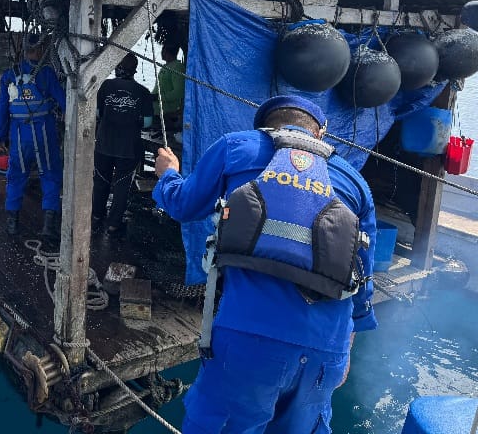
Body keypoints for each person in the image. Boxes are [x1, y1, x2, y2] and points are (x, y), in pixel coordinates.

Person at [152, 95, 377, 434]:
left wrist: (168, 174)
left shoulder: (235, 148)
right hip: (324, 352)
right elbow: (362, 283)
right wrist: (342, 354)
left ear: (263, 128)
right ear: (321, 134)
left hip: (247, 341)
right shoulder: (355, 182)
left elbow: (183, 204)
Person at [0, 34, 66, 239]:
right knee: (50, 175)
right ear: (41, 49)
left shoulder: (9, 76)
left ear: (23, 50)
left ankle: (12, 225)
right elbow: (64, 102)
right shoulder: (47, 74)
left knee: (16, 177)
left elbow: (2, 111)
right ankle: (48, 227)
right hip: (44, 134)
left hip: (19, 135)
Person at [92, 53, 153, 236]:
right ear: (135, 69)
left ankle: (96, 217)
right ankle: (113, 225)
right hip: (128, 147)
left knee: (101, 180)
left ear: (117, 65)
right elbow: (148, 122)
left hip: (104, 144)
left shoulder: (106, 86)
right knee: (121, 185)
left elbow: (96, 113)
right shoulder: (143, 92)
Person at [152, 45, 185, 132]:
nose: (161, 52)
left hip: (165, 113)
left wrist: (157, 97)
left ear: (167, 51)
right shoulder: (166, 66)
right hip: (155, 111)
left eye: (163, 50)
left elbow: (178, 92)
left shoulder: (178, 67)